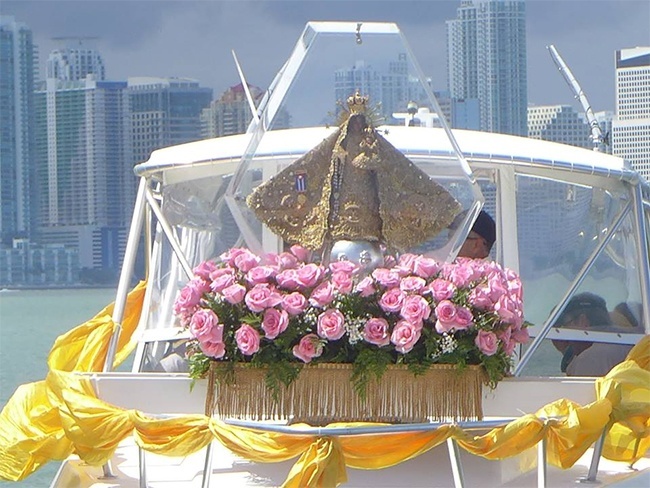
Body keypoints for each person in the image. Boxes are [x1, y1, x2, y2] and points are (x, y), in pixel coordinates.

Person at [551, 292, 633, 376]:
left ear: (582, 321)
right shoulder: (633, 343)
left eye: (566, 325)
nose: (565, 333)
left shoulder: (588, 360)